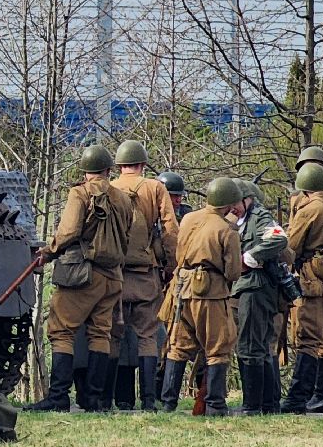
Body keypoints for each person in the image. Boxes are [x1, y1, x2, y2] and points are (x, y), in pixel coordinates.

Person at [29, 144, 130, 412]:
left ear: (86, 172)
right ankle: (94, 399)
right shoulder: (122, 198)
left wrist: (48, 251)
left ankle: (58, 397)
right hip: (113, 277)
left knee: (61, 330)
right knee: (100, 333)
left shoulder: (80, 193)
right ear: (108, 170)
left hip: (82, 274)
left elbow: (70, 231)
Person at [159, 177, 245, 415]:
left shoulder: (188, 218)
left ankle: (168, 403)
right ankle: (216, 404)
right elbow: (233, 271)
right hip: (212, 294)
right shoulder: (227, 230)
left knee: (178, 346)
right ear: (229, 203)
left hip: (182, 290)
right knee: (218, 347)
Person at [111, 141, 179, 411]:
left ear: (119, 165)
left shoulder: (110, 188)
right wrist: (172, 264)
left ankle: (113, 399)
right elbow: (170, 229)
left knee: (113, 336)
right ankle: (149, 400)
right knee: (148, 336)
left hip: (114, 273)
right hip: (146, 273)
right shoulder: (155, 187)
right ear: (142, 164)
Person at [281, 162, 323, 413]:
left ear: (304, 189)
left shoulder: (311, 209)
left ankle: (298, 399)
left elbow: (291, 245)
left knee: (308, 339)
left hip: (315, 284)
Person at [232, 178, 290, 415]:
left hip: (256, 288)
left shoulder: (259, 217)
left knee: (250, 346)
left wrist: (249, 257)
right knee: (259, 345)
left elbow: (278, 238)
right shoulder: (242, 218)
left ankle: (253, 406)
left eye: (236, 201)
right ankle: (268, 404)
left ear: (247, 199)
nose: (232, 206)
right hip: (252, 288)